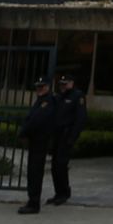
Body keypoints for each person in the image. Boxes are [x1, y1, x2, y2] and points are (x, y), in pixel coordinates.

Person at [17, 77, 61, 214]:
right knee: (33, 172)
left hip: (40, 141)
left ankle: (34, 203)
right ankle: (32, 201)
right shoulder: (42, 100)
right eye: (38, 87)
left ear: (48, 87)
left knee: (35, 172)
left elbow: (36, 120)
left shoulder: (47, 102)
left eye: (42, 86)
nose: (39, 89)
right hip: (36, 141)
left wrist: (24, 131)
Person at [49, 73, 87, 205]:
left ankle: (64, 192)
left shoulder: (77, 96)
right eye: (61, 84)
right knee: (54, 166)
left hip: (67, 135)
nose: (63, 86)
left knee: (61, 165)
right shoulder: (58, 97)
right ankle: (58, 192)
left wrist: (73, 137)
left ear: (72, 83)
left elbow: (81, 118)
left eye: (65, 84)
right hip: (57, 135)